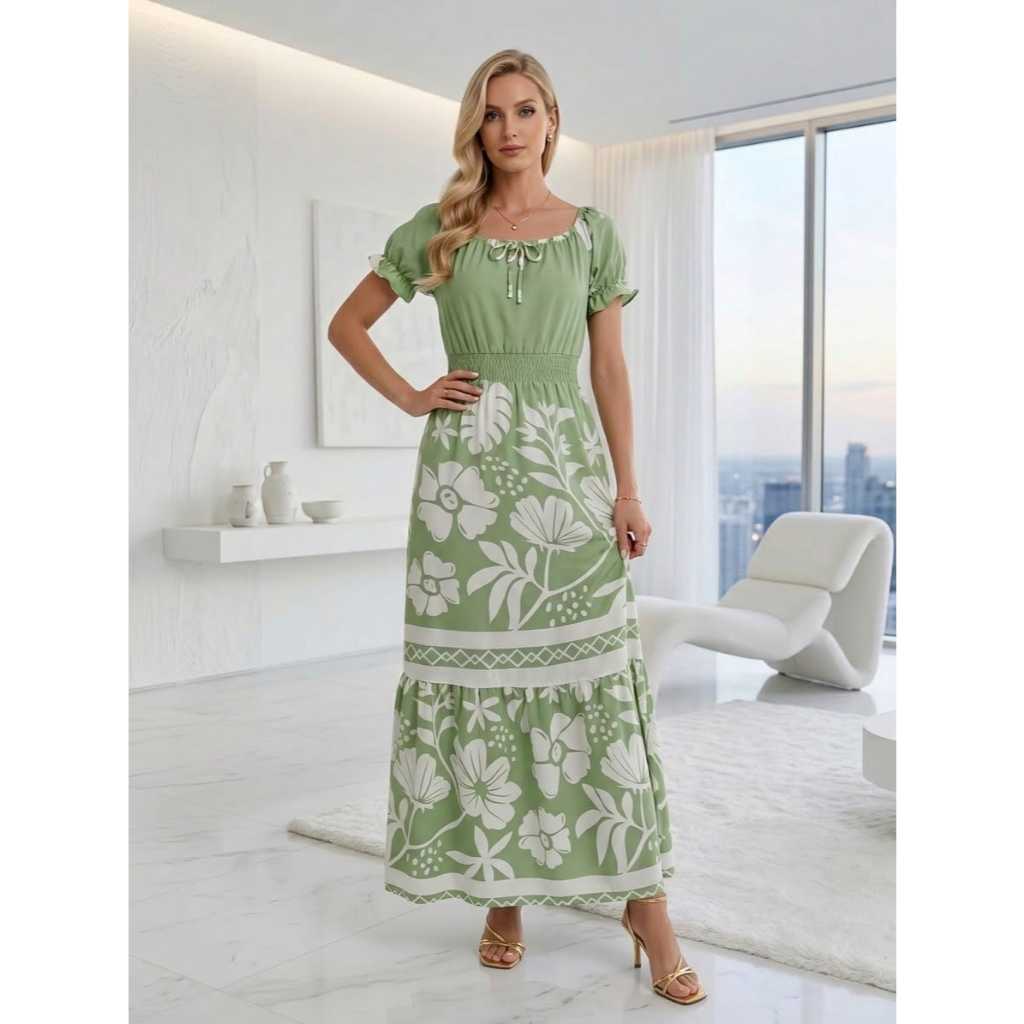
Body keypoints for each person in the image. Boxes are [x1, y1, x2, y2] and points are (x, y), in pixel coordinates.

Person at [327, 48, 705, 1007]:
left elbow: (608, 370)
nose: (509, 129)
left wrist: (627, 490)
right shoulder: (440, 229)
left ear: (551, 120)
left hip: (567, 477)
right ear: (475, 127)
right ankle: (503, 894)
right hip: (465, 489)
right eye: (492, 113)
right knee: (485, 688)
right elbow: (347, 325)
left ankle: (646, 906)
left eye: (525, 110)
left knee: (595, 684)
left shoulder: (592, 235)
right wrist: (412, 395)